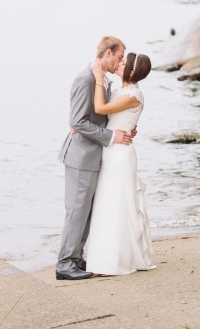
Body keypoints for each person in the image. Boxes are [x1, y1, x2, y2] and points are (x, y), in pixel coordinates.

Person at [55, 36, 134, 281]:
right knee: (77, 211)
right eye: (120, 57)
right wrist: (111, 136)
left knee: (86, 211)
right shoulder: (86, 78)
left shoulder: (101, 80)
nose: (121, 62)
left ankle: (76, 259)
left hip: (92, 156)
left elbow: (96, 115)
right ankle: (64, 264)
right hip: (80, 157)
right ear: (108, 53)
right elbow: (78, 121)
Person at [86, 52, 155, 275]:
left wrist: (98, 78)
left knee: (117, 203)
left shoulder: (134, 94)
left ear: (132, 71)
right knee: (106, 203)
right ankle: (101, 257)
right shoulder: (120, 91)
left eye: (123, 63)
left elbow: (101, 109)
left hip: (121, 155)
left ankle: (116, 259)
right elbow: (109, 119)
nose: (118, 64)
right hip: (110, 150)